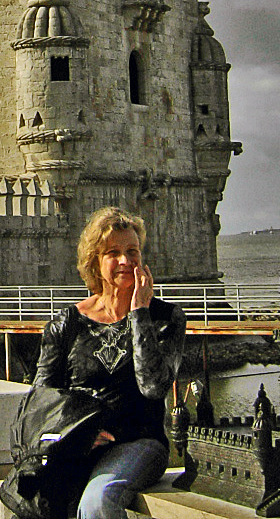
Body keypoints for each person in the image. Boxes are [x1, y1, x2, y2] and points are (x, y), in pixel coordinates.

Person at [29, 207, 185, 519]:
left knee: (98, 503)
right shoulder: (65, 325)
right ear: (95, 263)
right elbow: (41, 400)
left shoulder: (166, 319)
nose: (126, 261)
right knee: (31, 498)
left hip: (139, 443)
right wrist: (78, 437)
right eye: (113, 252)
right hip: (77, 443)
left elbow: (153, 387)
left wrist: (139, 313)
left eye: (132, 251)